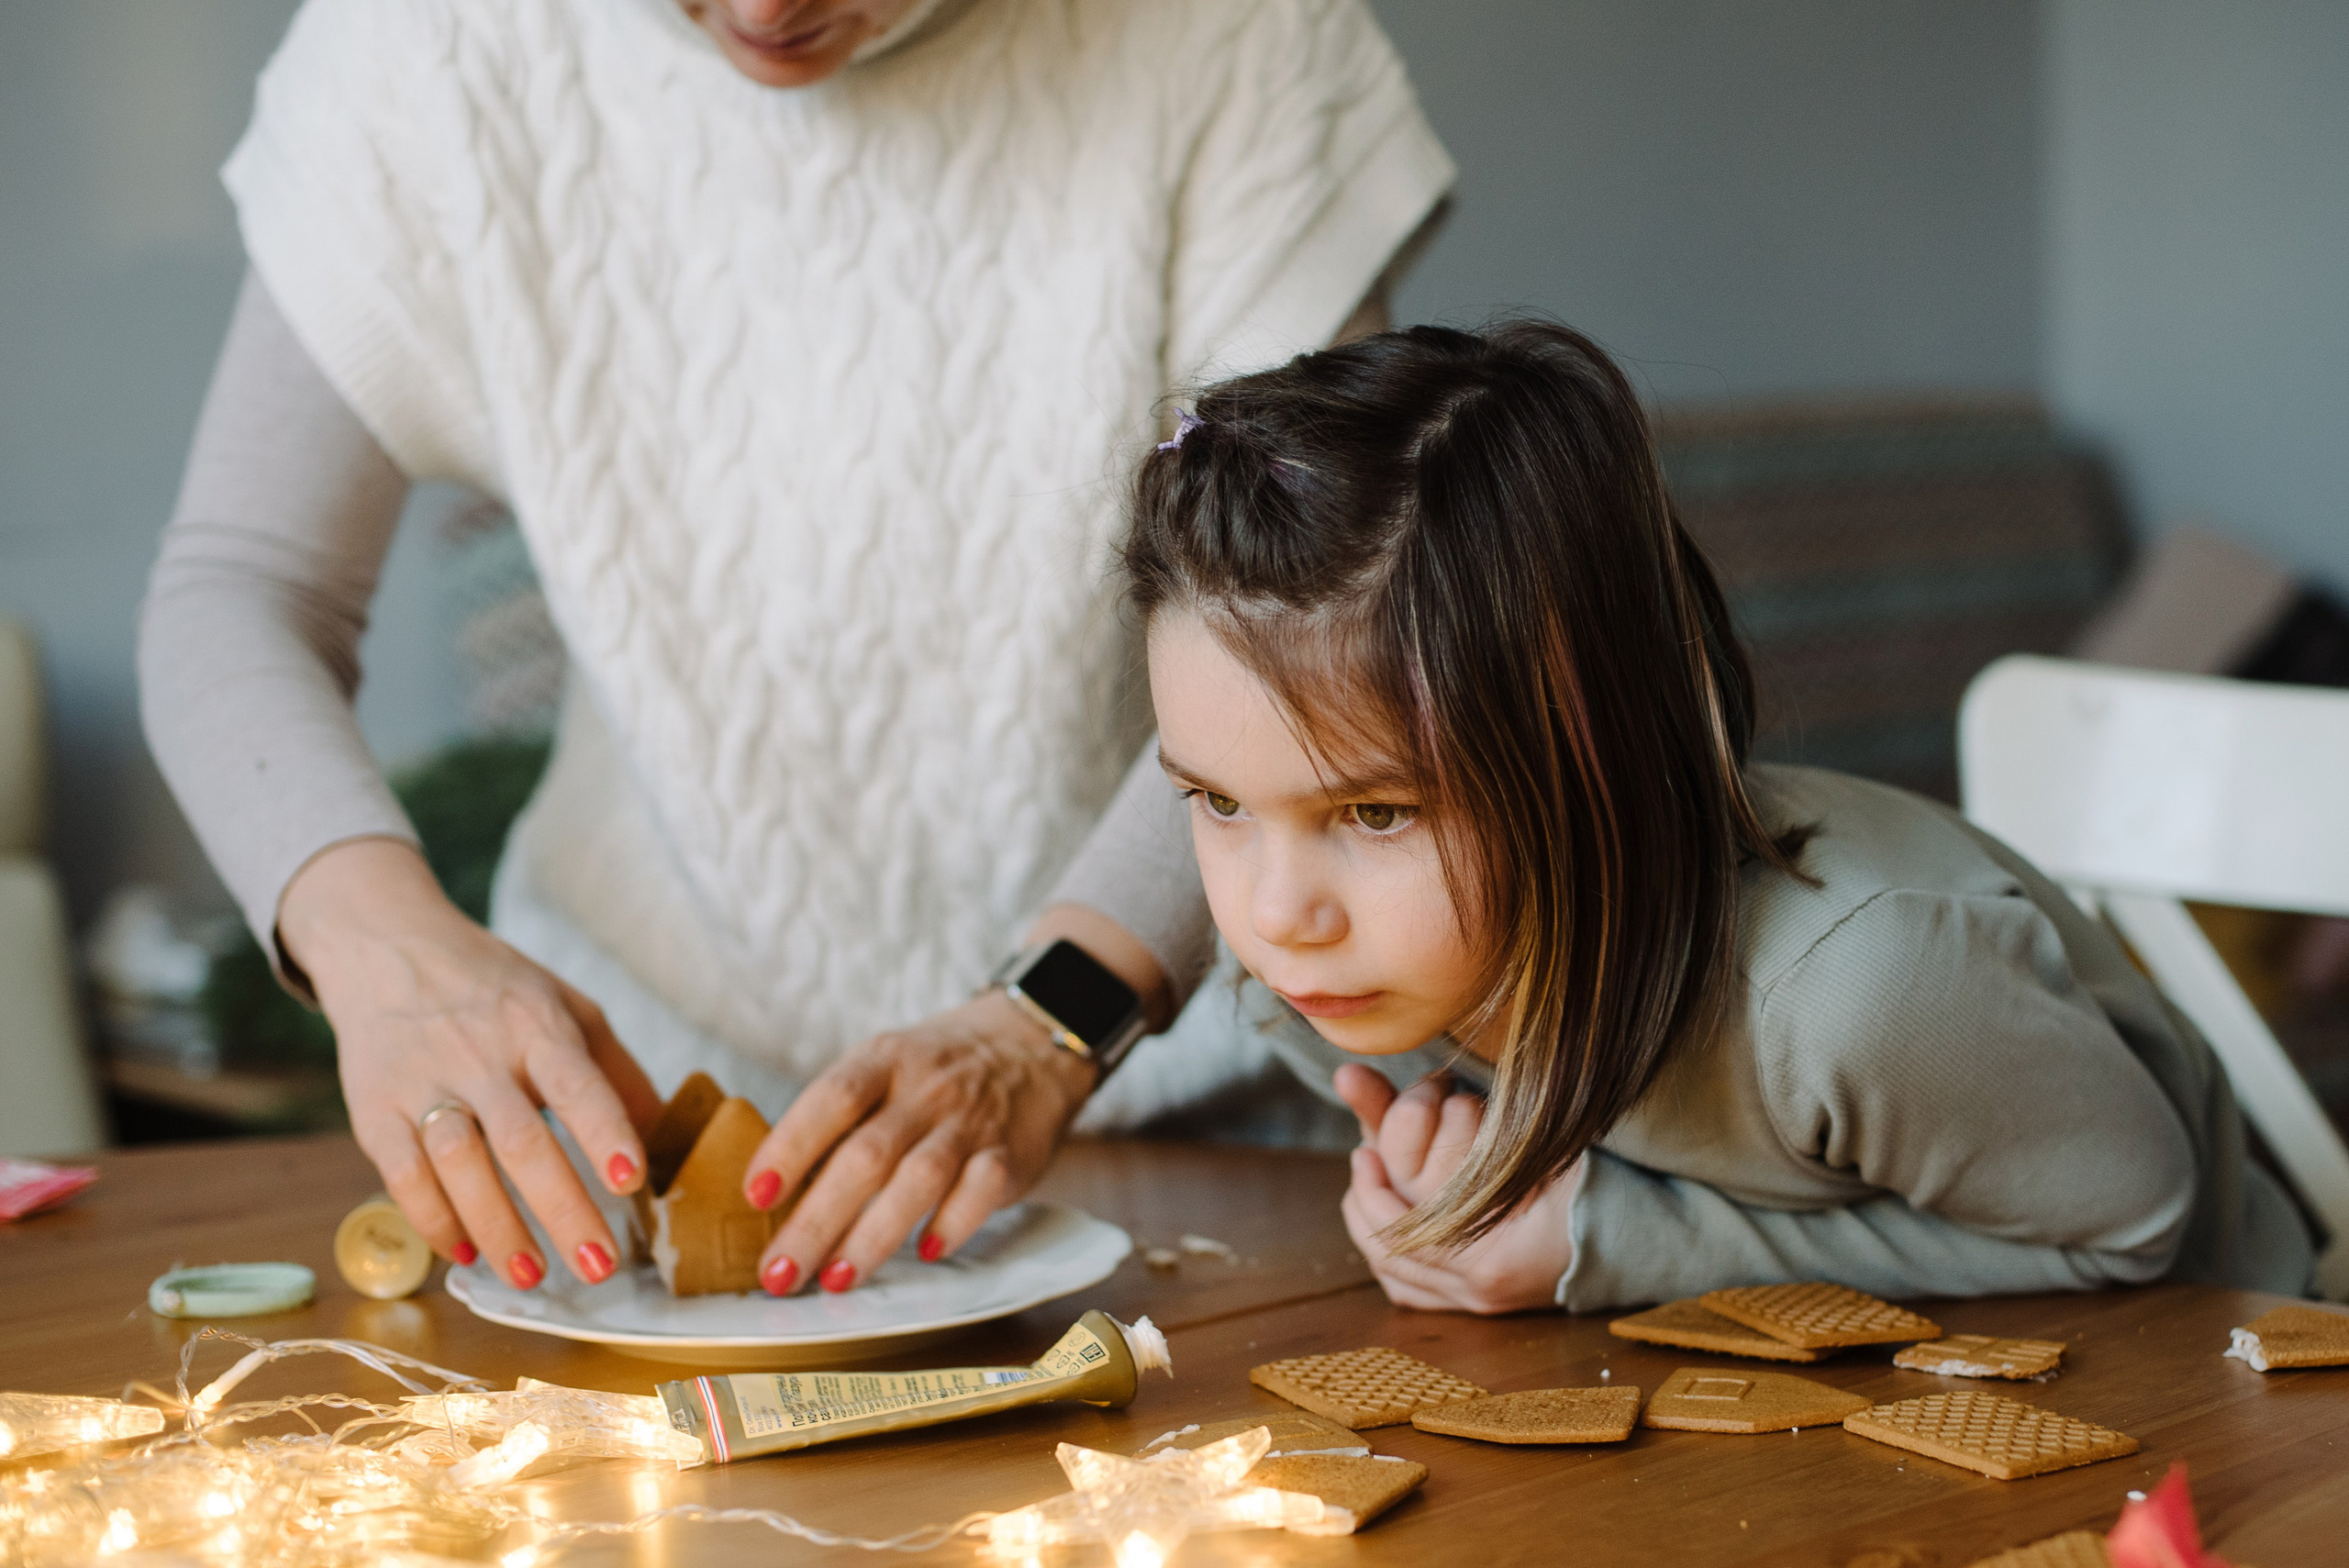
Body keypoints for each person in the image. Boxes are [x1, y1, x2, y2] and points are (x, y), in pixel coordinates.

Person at [141, 0, 1453, 1296]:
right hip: (626, 1146)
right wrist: (377, 946)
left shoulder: (1240, 38)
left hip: (1190, 1143)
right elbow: (242, 587)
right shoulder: (424, 44)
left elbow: (1314, 635)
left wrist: (1057, 1017)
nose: (767, 9)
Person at [1116, 318, 2317, 1311]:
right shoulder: (1336, 977)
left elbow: (2138, 1230)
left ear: (1590, 744)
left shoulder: (1859, 997)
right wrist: (1460, 1202)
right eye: (1217, 801)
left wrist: (1613, 1240)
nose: (1274, 915)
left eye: (1374, 813)